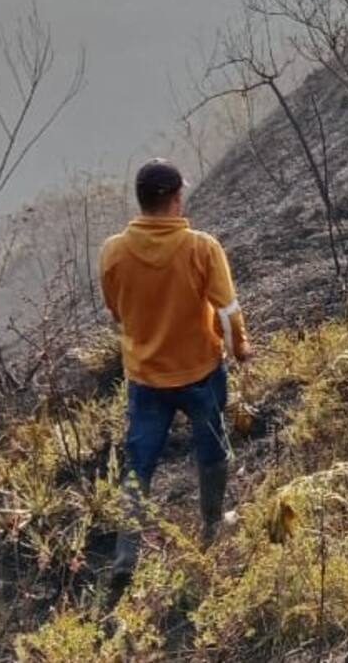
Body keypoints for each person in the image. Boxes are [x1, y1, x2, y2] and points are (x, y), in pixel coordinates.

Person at [100, 159, 251, 595]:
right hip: (199, 371)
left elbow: (115, 310)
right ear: (176, 198)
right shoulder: (201, 247)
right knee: (211, 446)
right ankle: (211, 526)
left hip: (145, 378)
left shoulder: (113, 251)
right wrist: (240, 347)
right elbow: (226, 310)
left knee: (139, 462)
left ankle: (126, 554)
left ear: (142, 200)